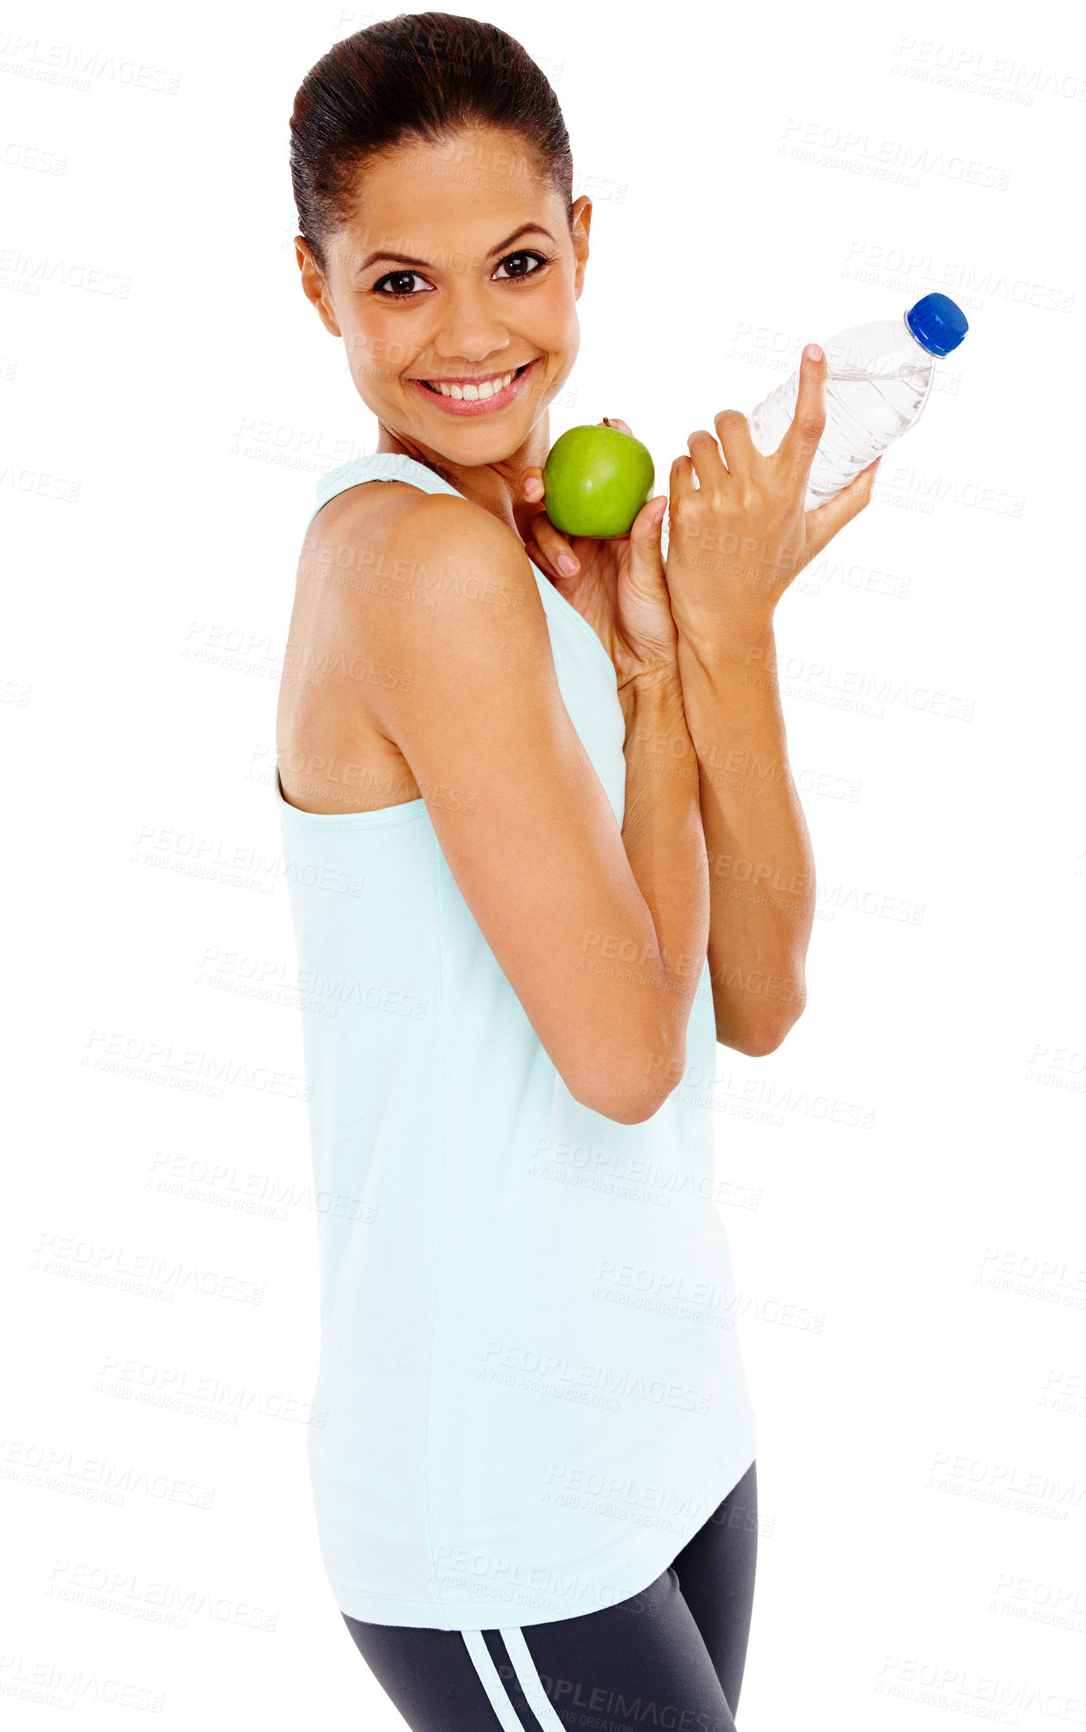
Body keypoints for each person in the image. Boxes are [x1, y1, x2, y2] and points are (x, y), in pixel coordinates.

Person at [275, 14, 878, 1730]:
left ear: (581, 245)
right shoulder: (415, 569)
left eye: (516, 262)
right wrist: (717, 635)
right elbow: (621, 1063)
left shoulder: (532, 554)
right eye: (399, 283)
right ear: (316, 286)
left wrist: (672, 661)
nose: (471, 336)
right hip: (503, 1503)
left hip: (672, 1421)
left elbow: (748, 1005)